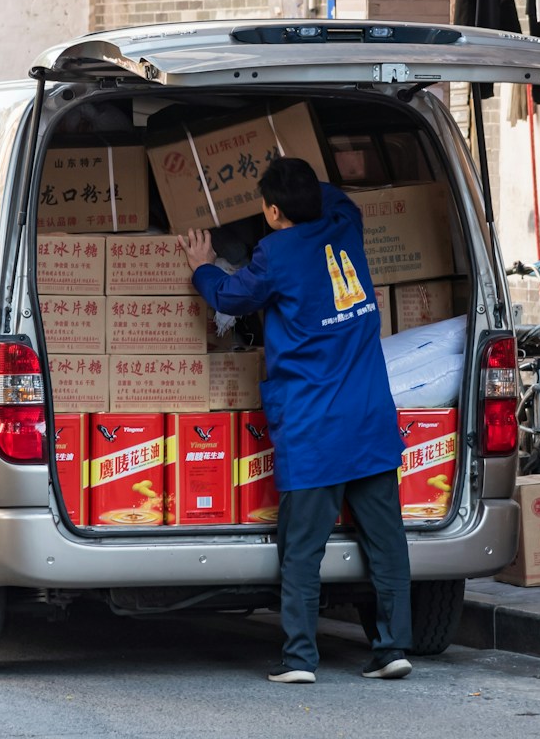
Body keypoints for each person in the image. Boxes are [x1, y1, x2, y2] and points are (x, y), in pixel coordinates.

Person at [182, 156, 411, 686]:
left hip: (315, 425)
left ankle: (300, 658)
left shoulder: (277, 252)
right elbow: (337, 198)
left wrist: (202, 264)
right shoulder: (345, 226)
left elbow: (229, 297)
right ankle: (393, 646)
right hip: (370, 414)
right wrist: (301, 173)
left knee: (302, 547)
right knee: (386, 538)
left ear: (274, 211)